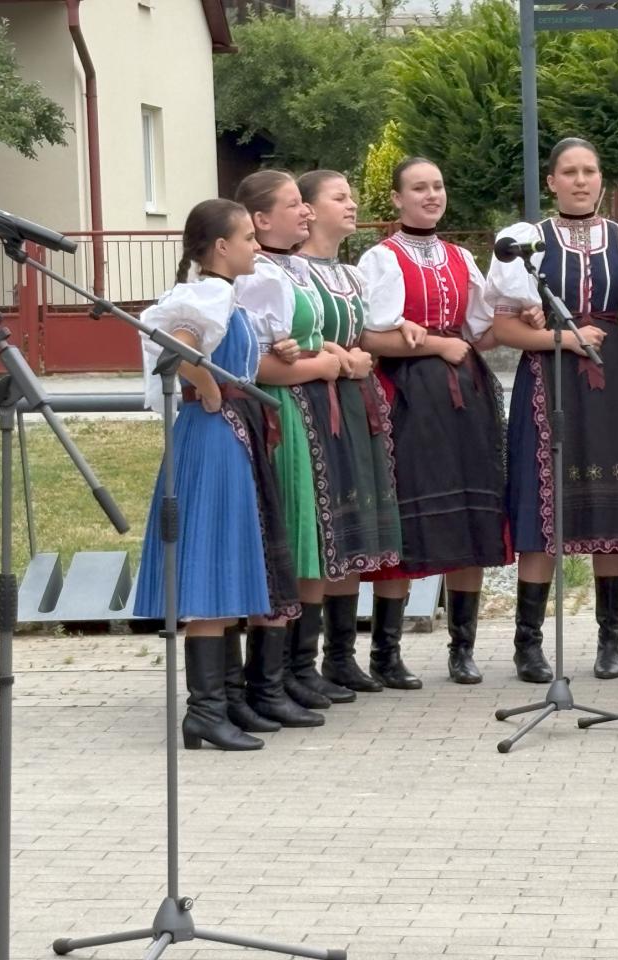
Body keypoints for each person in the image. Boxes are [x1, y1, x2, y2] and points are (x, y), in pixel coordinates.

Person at [486, 138, 618, 681]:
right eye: (569, 172)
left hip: (613, 378)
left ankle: (610, 641)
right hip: (549, 378)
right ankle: (529, 644)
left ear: (601, 180)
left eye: (589, 171)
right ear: (551, 182)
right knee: (542, 502)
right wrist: (561, 339)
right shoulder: (526, 241)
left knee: (615, 502)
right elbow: (504, 329)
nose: (581, 181)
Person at [134, 198, 300, 751]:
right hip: (213, 436)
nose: (256, 246)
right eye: (248, 238)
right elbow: (174, 344)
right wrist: (206, 385)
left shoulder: (224, 295)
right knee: (213, 564)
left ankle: (224, 701)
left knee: (228, 559)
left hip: (231, 432)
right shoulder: (206, 293)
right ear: (222, 247)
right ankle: (204, 710)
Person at [358, 157, 510, 685]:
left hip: (465, 396)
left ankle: (462, 649)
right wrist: (436, 344)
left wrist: (517, 317)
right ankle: (385, 653)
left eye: (438, 186)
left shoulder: (461, 257)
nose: (431, 195)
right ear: (397, 199)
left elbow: (480, 332)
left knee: (471, 512)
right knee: (409, 514)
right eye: (419, 188)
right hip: (408, 395)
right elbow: (368, 336)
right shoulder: (382, 258)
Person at [235, 171, 345, 727]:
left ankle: (299, 668)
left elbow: (299, 341)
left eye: (306, 203)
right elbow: (252, 364)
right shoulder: (253, 274)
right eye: (293, 204)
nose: (305, 212)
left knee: (311, 537)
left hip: (305, 411)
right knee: (287, 539)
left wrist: (322, 351)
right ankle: (268, 679)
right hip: (276, 413)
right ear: (260, 219)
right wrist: (323, 364)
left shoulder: (293, 268)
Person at [295, 170, 409, 686]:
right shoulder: (291, 272)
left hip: (355, 400)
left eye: (351, 196)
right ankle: (304, 661)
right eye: (339, 197)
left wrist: (388, 335)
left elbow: (365, 333)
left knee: (352, 525)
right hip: (315, 399)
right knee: (324, 526)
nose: (351, 204)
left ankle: (340, 657)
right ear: (309, 209)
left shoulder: (350, 274)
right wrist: (341, 357)